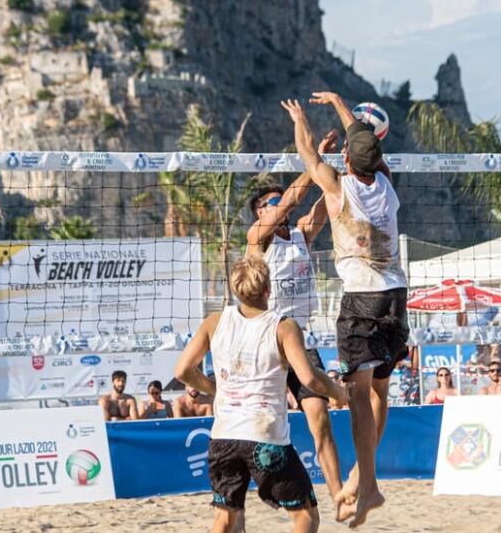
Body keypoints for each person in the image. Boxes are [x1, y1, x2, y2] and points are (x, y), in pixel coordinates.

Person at [174, 257, 348, 533]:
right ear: (268, 289)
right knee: (305, 518)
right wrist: (339, 392)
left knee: (225, 521)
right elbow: (309, 378)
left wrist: (214, 389)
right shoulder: (283, 326)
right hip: (264, 440)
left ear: (235, 290)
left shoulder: (214, 321)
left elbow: (183, 370)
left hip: (223, 438)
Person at [299, 92, 408, 527]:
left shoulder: (336, 185)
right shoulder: (386, 183)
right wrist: (343, 106)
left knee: (358, 396)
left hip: (362, 299)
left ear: (346, 157)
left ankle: (370, 485)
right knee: (379, 393)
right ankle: (362, 479)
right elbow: (362, 142)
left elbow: (307, 153)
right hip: (396, 296)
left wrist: (301, 116)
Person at [245, 120, 344, 507]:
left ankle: (339, 495)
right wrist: (313, 156)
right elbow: (292, 199)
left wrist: (334, 167)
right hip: (266, 343)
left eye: (277, 200)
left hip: (301, 340)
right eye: (270, 201)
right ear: (259, 211)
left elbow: (325, 198)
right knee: (260, 428)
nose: (278, 203)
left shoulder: (301, 232)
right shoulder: (258, 238)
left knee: (320, 422)